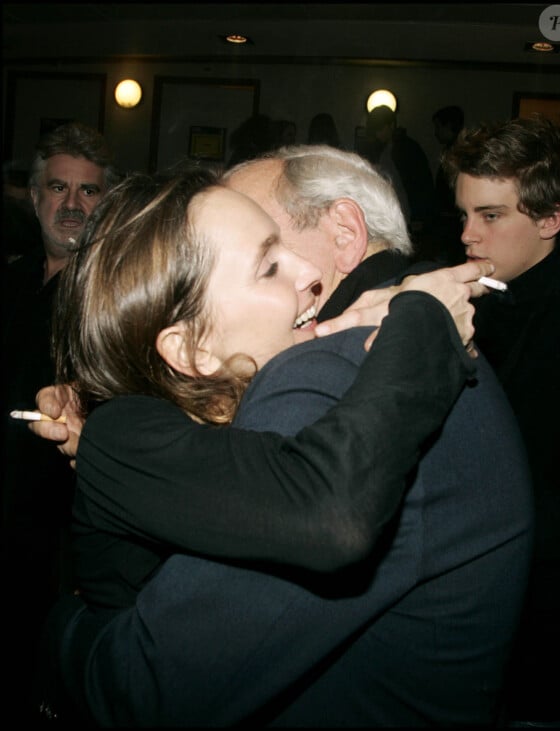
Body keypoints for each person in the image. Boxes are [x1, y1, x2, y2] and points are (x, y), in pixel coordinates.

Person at [34, 152, 531, 726]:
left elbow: (154, 685)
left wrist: (61, 629)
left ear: (346, 232)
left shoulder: (320, 378)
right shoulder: (339, 363)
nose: (304, 273)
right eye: (266, 264)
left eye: (275, 243)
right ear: (189, 348)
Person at [442, 114, 560, 726]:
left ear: (551, 220)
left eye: (491, 216)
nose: (469, 234)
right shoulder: (482, 300)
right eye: (465, 214)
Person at [0, 121, 119, 720]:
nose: (72, 205)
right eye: (58, 188)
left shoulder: (114, 301)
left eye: (89, 192)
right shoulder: (10, 278)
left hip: (57, 539)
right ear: (34, 194)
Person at [362, 105, 437, 236]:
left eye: (380, 129)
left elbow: (419, 183)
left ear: (391, 125)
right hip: (398, 214)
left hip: (408, 215)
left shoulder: (405, 148)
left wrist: (418, 216)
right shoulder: (389, 149)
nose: (378, 134)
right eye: (376, 130)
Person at [425, 105, 465, 265]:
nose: (436, 132)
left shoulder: (458, 154)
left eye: (438, 127)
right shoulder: (452, 150)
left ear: (449, 126)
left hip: (451, 219)